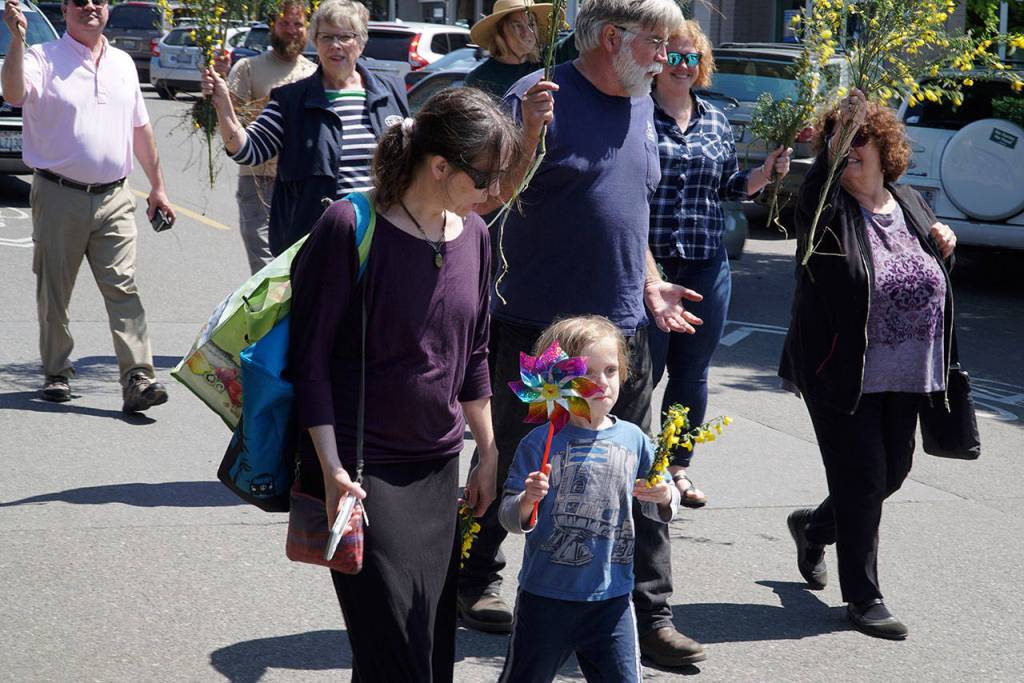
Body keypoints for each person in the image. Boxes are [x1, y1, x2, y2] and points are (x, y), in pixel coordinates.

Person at [459, 0, 710, 668]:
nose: (668, 55)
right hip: (540, 330)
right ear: (611, 38)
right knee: (518, 457)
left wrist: (650, 279)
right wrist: (533, 138)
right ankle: (473, 577)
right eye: (660, 43)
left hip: (621, 332)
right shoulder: (537, 96)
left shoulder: (638, 102)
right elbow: (484, 198)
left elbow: (627, 211)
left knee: (640, 467)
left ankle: (649, 614)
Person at [287, 86, 521, 681]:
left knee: (424, 650)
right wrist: (333, 470)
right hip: (363, 475)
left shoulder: (475, 235)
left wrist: (488, 451)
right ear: (439, 165)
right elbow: (310, 361)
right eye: (486, 177)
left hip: (438, 471)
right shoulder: (349, 226)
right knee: (398, 657)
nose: (496, 193)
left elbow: (472, 354)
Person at [779, 88, 957, 640]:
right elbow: (808, 204)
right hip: (840, 371)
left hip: (906, 372)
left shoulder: (909, 202)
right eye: (839, 138)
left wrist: (949, 247)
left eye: (860, 138)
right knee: (862, 478)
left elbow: (933, 281)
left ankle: (813, 527)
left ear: (885, 150)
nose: (848, 147)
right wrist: (839, 125)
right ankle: (864, 597)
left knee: (893, 473)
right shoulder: (824, 210)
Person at [2, 0, 174, 413]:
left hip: (115, 195)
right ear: (66, 9)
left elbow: (140, 127)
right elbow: (13, 92)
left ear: (107, 10)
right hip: (59, 193)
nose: (89, 7)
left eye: (97, 0)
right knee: (55, 291)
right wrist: (17, 40)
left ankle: (138, 377)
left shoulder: (122, 63)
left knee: (123, 286)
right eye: (80, 1)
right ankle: (57, 371)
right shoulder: (42, 57)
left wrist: (158, 187)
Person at [648, 20, 791, 507]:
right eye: (674, 55)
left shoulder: (714, 119)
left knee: (691, 374)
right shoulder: (635, 115)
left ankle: (676, 467)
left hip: (706, 263)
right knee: (638, 373)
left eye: (692, 58)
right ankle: (630, 466)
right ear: (657, 59)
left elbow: (730, 186)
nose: (683, 66)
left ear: (701, 65)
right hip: (650, 267)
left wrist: (766, 173)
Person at [497, 316, 680, 682]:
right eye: (586, 372)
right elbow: (508, 515)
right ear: (557, 381)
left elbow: (661, 502)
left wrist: (663, 495)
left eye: (610, 370)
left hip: (612, 598)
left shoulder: (635, 439)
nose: (601, 382)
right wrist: (527, 500)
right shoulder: (539, 442)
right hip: (545, 599)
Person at [201, 0, 408, 257]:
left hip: (384, 241)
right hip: (320, 245)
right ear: (315, 42)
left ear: (361, 42)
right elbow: (248, 151)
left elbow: (413, 164)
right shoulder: (290, 101)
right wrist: (222, 105)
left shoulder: (391, 93)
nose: (335, 45)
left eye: (345, 36)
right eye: (326, 37)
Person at [214, 0, 316, 274]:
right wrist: (219, 86)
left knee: (301, 267)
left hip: (301, 184)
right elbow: (230, 122)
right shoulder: (248, 68)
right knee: (266, 272)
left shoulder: (315, 74)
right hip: (258, 182)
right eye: (284, 23)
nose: (292, 30)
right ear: (272, 26)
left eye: (298, 24)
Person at [466, 0, 546, 99]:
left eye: (531, 25)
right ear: (500, 32)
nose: (526, 33)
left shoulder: (547, 65)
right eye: (517, 26)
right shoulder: (479, 79)